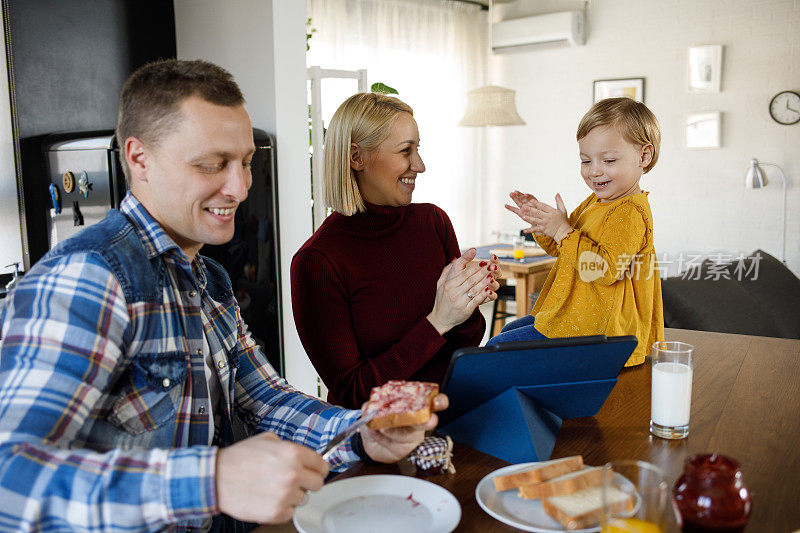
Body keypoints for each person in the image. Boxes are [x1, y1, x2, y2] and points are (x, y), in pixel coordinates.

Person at [0, 59, 446, 531]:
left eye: (246, 162)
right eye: (212, 164)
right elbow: (10, 478)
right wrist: (210, 481)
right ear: (139, 158)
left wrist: (361, 432)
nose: (239, 187)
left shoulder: (209, 279)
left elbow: (267, 401)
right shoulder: (88, 278)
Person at [291, 92, 500, 408]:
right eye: (406, 151)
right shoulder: (317, 262)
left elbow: (467, 341)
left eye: (418, 149)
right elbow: (353, 392)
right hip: (381, 440)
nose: (420, 165)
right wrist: (439, 320)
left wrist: (468, 300)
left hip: (455, 416)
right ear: (356, 158)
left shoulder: (433, 222)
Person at [493, 97, 665, 366]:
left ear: (644, 156)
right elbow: (565, 249)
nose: (594, 171)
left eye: (608, 160)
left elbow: (605, 270)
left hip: (599, 329)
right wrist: (545, 224)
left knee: (498, 347)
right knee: (506, 332)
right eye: (586, 161)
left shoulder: (629, 212)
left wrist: (562, 230)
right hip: (576, 314)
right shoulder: (595, 202)